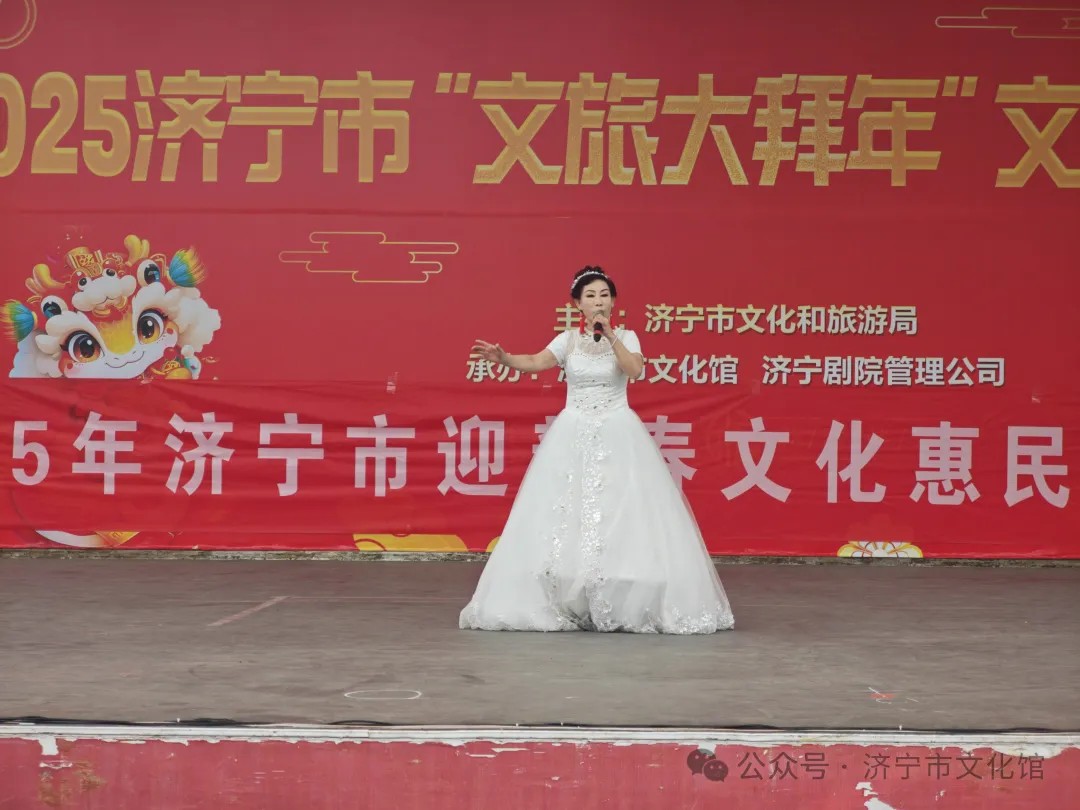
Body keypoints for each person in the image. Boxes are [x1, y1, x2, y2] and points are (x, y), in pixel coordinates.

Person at [459, 266, 734, 634]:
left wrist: (611, 336)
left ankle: (621, 592)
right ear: (578, 304)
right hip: (572, 431)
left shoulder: (627, 337)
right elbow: (536, 361)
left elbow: (634, 370)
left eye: (604, 294)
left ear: (613, 301)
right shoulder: (568, 340)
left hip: (617, 431)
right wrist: (505, 358)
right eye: (590, 295)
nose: (598, 301)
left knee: (619, 508)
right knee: (566, 509)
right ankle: (569, 593)